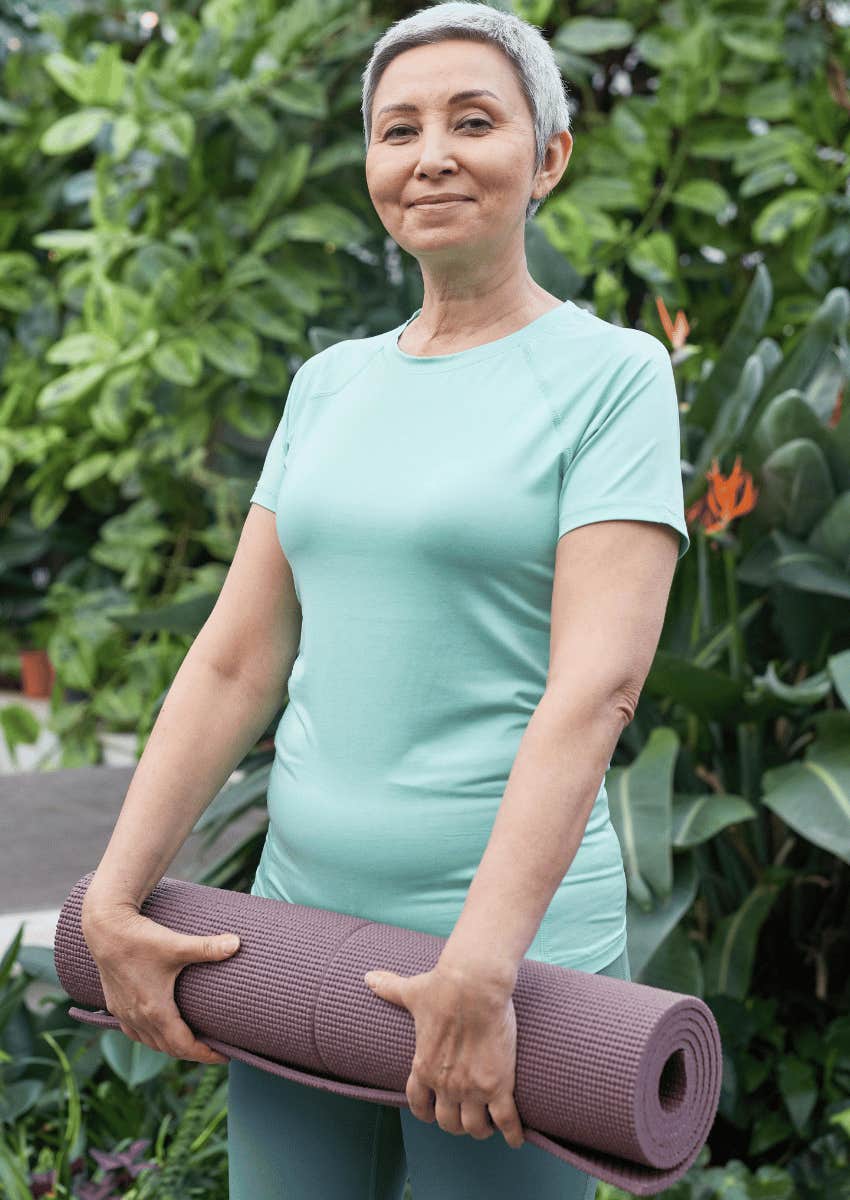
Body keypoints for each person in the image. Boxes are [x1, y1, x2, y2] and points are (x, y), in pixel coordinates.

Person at [81, 3, 691, 1198]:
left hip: (508, 970)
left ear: (548, 156)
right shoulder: (329, 384)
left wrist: (483, 965)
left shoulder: (612, 376)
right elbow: (233, 662)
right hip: (295, 941)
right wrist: (110, 896)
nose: (431, 155)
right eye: (396, 128)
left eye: (474, 120)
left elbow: (595, 688)